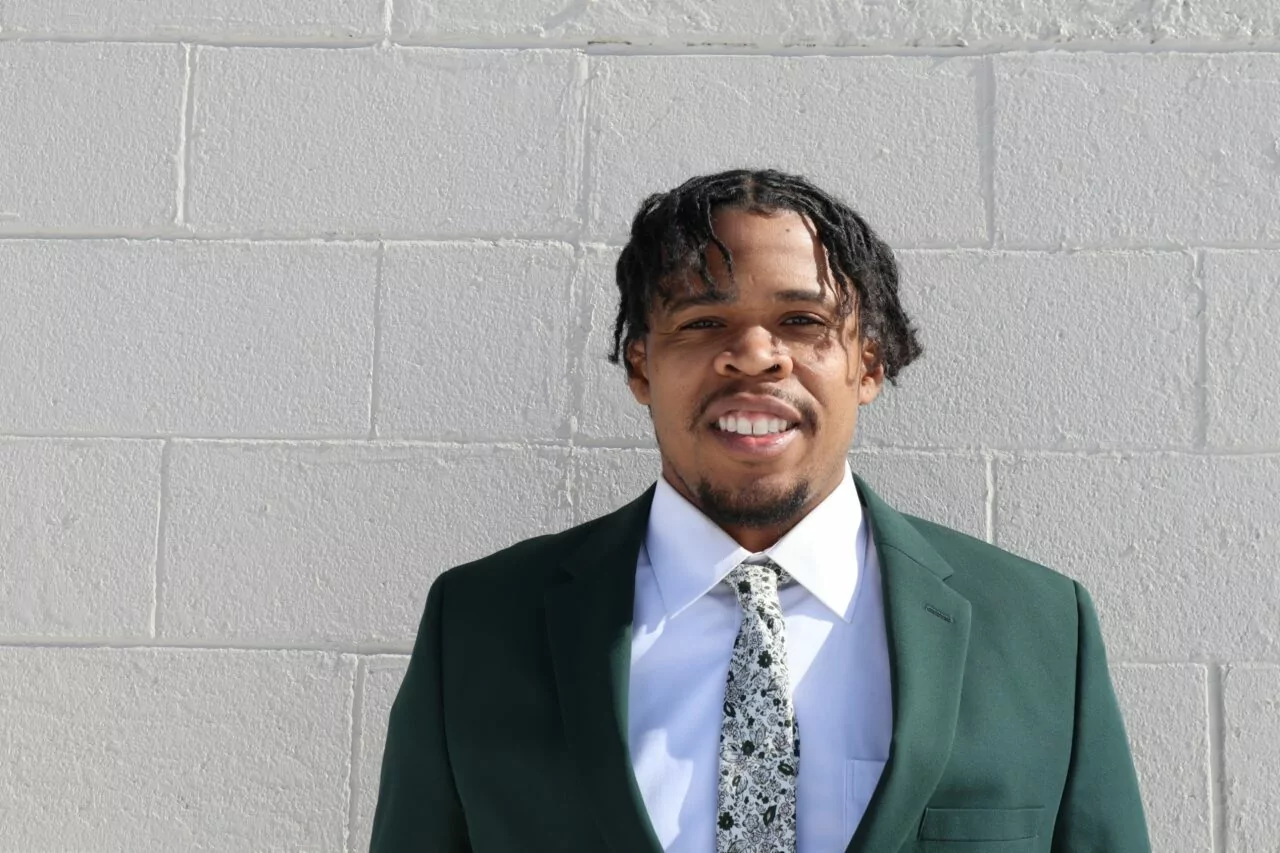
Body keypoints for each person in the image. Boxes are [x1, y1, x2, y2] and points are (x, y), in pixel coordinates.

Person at [369, 168, 1151, 852]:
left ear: (868, 362)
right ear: (641, 365)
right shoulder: (478, 624)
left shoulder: (1043, 628)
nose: (753, 354)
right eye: (702, 322)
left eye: (802, 322)